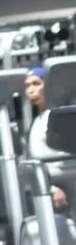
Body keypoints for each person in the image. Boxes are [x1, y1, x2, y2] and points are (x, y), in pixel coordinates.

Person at [25, 66, 71, 211]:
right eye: (27, 86)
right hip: (47, 189)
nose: (31, 90)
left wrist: (60, 187)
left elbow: (67, 156)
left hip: (65, 189)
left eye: (36, 84)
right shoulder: (36, 121)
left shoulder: (57, 116)